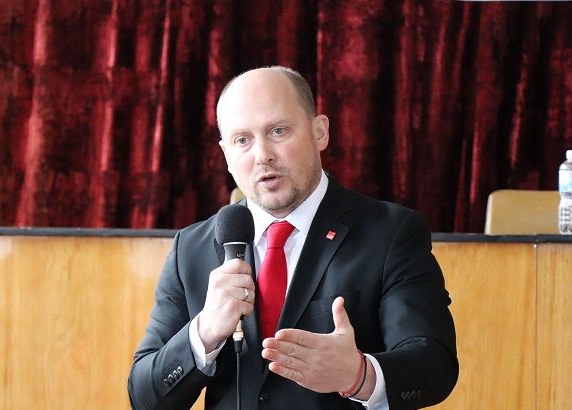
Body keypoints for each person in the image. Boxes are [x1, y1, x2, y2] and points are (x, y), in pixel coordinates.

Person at [128, 66, 458, 409]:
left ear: (319, 132)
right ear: (226, 155)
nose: (263, 155)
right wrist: (204, 333)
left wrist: (358, 375)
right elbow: (145, 397)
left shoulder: (390, 233)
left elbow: (435, 365)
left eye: (278, 131)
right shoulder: (191, 248)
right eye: (243, 140)